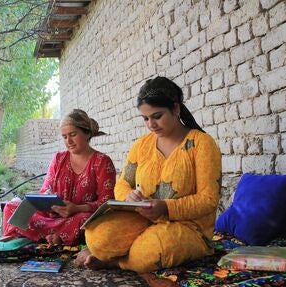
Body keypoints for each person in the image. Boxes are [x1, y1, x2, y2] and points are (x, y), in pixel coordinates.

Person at [75, 76, 222, 273]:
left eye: (157, 116)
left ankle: (116, 262)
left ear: (176, 109)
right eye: (145, 118)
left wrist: (166, 208)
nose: (151, 124)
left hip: (189, 227)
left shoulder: (202, 144)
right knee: (96, 235)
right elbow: (122, 184)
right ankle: (119, 252)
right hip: (143, 217)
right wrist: (129, 197)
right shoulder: (142, 145)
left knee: (151, 251)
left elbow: (209, 200)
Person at [2, 109, 116, 246]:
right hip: (51, 216)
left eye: (73, 135)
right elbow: (44, 190)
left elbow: (107, 202)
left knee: (87, 220)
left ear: (87, 133)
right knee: (11, 207)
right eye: (64, 137)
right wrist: (47, 197)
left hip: (76, 218)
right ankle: (56, 237)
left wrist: (77, 208)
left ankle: (44, 236)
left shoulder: (102, 162)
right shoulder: (58, 159)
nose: (69, 141)